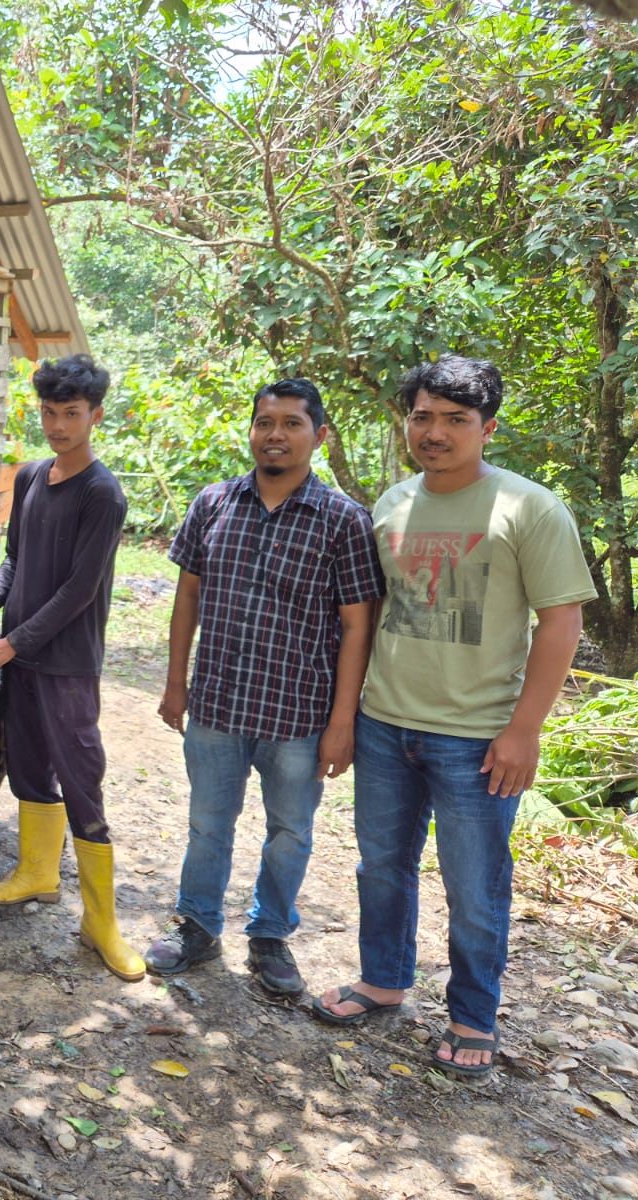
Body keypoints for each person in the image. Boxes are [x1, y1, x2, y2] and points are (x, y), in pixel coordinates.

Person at [312, 355, 593, 1079]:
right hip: (384, 722)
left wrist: (524, 730)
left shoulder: (529, 508)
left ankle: (473, 1015)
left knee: (475, 888)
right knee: (382, 867)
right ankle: (383, 979)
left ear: (487, 427)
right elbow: (367, 616)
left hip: (476, 737)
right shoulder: (393, 503)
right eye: (423, 417)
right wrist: (347, 716)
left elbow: (560, 623)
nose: (435, 433)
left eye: (455, 420)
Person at [145, 378, 385, 994]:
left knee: (292, 833)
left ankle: (271, 934)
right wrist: (176, 683)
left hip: (299, 715)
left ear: (319, 435)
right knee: (207, 824)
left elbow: (359, 626)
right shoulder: (214, 503)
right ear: (252, 430)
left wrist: (342, 722)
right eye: (265, 422)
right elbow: (188, 596)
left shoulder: (343, 521)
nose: (275, 434)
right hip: (218, 703)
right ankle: (197, 925)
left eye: (291, 424)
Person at [0, 354, 144, 981]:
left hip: (65, 664)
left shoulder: (102, 494)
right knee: (31, 767)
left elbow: (79, 590)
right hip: (23, 659)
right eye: (49, 412)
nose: (59, 425)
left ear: (95, 416)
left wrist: (13, 643)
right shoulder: (35, 475)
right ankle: (38, 875)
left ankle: (102, 922)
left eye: (72, 414)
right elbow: (15, 559)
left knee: (81, 780)